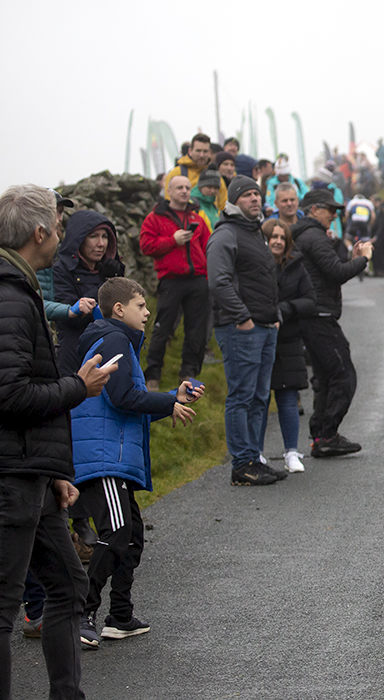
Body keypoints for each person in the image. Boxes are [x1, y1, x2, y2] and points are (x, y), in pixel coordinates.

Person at [0, 185, 116, 700]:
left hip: (33, 472)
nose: (64, 236)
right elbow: (10, 394)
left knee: (68, 587)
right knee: (2, 609)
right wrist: (79, 387)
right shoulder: (9, 294)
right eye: (59, 225)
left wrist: (55, 471)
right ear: (40, 233)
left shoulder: (19, 288)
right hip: (10, 476)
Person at [71, 277, 202, 649]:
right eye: (141, 305)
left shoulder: (117, 340)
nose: (147, 312)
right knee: (117, 531)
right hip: (102, 456)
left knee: (131, 536)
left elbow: (129, 404)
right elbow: (122, 398)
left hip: (110, 452)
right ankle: (81, 613)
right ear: (118, 309)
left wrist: (170, 399)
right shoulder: (114, 340)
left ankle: (120, 616)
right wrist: (165, 402)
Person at [207, 175, 282, 486]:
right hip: (241, 328)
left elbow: (263, 278)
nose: (254, 198)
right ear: (234, 200)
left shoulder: (256, 233)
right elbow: (218, 282)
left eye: (256, 194)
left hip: (265, 326)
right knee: (242, 396)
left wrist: (274, 315)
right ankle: (242, 464)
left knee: (260, 396)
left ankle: (255, 458)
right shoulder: (226, 234)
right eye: (247, 194)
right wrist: (243, 317)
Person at [292, 188, 371, 458]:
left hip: (313, 314)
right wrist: (364, 259)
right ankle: (327, 434)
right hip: (319, 315)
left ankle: (322, 436)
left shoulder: (308, 234)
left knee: (326, 377)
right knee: (343, 374)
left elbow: (329, 266)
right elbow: (336, 272)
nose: (335, 215)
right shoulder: (313, 236)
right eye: (330, 209)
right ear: (314, 210)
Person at [138, 174, 211, 392]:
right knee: (163, 328)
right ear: (169, 191)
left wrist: (207, 272)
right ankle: (152, 376)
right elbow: (146, 246)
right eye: (179, 187)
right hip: (171, 280)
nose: (184, 191)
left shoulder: (197, 217)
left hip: (198, 279)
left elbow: (208, 245)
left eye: (187, 187)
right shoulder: (154, 218)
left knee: (196, 330)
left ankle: (189, 375)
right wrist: (173, 241)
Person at [261, 220, 317, 474]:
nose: (278, 241)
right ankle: (257, 453)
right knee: (259, 399)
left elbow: (310, 300)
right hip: (261, 339)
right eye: (273, 236)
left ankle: (292, 452)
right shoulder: (255, 265)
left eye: (282, 238)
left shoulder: (296, 266)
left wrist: (284, 309)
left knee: (287, 398)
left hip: (289, 340)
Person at [53, 208, 124, 376]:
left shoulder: (108, 268)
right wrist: (104, 282)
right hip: (74, 352)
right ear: (79, 240)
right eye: (93, 236)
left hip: (108, 345)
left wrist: (117, 276)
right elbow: (71, 318)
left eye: (105, 236)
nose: (101, 243)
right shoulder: (61, 270)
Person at [164, 133, 229, 210]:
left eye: (205, 151)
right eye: (198, 151)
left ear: (210, 153)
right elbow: (168, 204)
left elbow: (223, 206)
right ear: (190, 151)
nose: (201, 155)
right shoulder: (176, 174)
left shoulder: (216, 176)